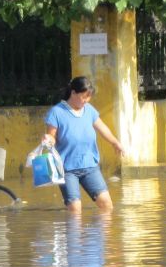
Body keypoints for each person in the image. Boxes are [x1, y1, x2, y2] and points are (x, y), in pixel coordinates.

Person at [43, 76, 125, 213]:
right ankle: (74, 235)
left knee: (107, 205)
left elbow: (102, 128)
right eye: (83, 97)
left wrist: (115, 143)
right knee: (75, 210)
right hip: (67, 169)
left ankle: (99, 235)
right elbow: (52, 136)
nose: (86, 100)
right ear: (73, 93)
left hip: (90, 166)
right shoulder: (57, 112)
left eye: (89, 97)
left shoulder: (89, 110)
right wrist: (48, 139)